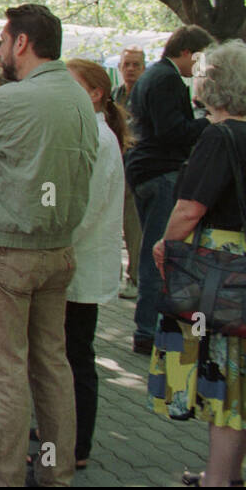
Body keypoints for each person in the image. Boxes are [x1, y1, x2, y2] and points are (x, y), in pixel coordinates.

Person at [0, 4, 97, 487]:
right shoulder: (78, 98)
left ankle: (2, 478)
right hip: (58, 252)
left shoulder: (14, 99)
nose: (1, 50)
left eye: (5, 40)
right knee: (52, 366)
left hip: (6, 253)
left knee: (2, 371)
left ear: (22, 44)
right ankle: (56, 475)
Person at [150, 39, 246, 488]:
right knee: (241, 383)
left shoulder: (219, 135)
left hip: (217, 271)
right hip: (242, 266)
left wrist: (164, 246)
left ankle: (217, 481)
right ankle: (224, 476)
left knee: (224, 382)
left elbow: (190, 209)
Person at [126, 25, 214, 355]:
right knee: (157, 253)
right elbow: (172, 131)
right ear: (189, 53)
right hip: (160, 170)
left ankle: (146, 327)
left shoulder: (154, 76)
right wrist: (206, 120)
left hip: (146, 170)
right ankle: (147, 330)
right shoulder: (167, 79)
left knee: (153, 250)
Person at [62, 58, 128, 470]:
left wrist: (54, 246)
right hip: (75, 263)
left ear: (95, 93)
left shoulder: (100, 140)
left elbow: (85, 209)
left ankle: (78, 443)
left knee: (75, 355)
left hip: (80, 265)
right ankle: (62, 429)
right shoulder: (92, 134)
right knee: (65, 353)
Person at [115, 46, 147, 300]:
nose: (131, 69)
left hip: (135, 168)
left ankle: (134, 277)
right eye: (127, 64)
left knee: (133, 224)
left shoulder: (146, 95)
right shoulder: (114, 95)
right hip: (114, 164)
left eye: (136, 64)